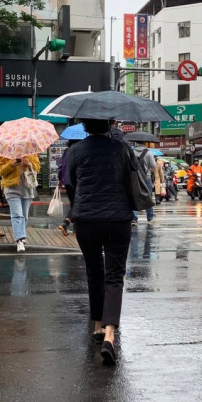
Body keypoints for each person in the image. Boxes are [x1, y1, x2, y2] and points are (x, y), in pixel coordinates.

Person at [67, 118, 135, 365]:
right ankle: (109, 334)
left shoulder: (75, 150)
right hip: (118, 218)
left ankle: (97, 325)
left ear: (85, 126)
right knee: (115, 276)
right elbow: (133, 181)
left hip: (86, 219)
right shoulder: (123, 148)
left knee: (94, 271)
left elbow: (69, 183)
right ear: (110, 125)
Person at [0, 151, 40, 253]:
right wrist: (11, 164)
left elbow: (37, 168)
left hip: (27, 187)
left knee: (24, 215)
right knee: (17, 215)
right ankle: (19, 239)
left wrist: (29, 164)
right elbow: (0, 171)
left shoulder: (31, 151)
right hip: (11, 188)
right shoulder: (4, 152)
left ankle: (21, 234)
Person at [131, 145, 156, 223]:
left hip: (135, 177)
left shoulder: (132, 152)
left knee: (135, 196)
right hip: (146, 177)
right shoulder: (148, 152)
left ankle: (134, 217)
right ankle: (150, 216)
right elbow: (153, 165)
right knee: (148, 196)